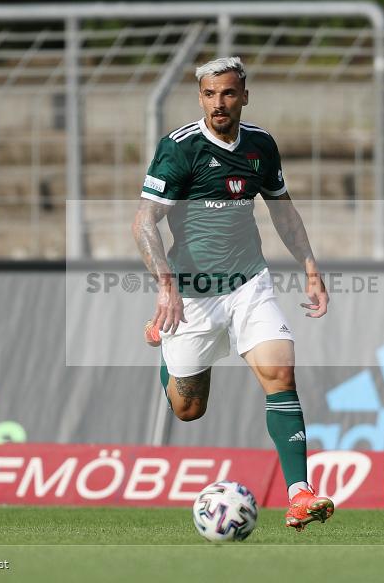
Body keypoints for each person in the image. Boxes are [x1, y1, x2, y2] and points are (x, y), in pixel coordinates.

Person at [132, 57, 332, 530]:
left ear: (244, 95)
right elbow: (144, 221)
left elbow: (283, 211)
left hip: (248, 283)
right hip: (192, 293)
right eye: (209, 94)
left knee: (281, 372)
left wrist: (310, 267)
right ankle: (168, 349)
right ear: (200, 97)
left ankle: (299, 494)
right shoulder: (179, 148)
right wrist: (165, 287)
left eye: (227, 93)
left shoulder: (261, 145)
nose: (218, 103)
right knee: (188, 409)